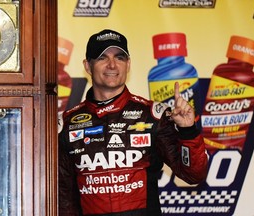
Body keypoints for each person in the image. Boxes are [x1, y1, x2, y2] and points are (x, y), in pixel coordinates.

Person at [58, 29, 208, 216]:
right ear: (88, 66)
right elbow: (64, 198)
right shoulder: (67, 123)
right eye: (102, 58)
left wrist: (188, 131)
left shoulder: (153, 116)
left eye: (120, 58)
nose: (112, 65)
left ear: (128, 64)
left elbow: (194, 175)